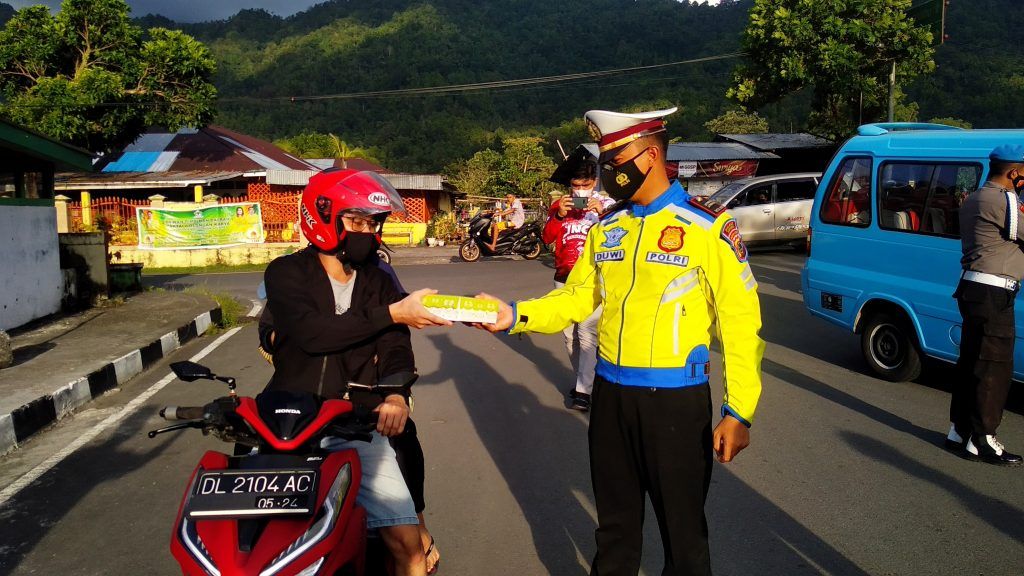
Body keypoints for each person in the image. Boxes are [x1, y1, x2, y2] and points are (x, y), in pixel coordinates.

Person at [474, 107, 765, 576]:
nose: (607, 170)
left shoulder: (708, 228)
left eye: (615, 158)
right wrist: (513, 315)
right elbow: (574, 298)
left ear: (651, 156)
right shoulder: (607, 227)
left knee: (684, 538)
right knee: (614, 533)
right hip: (610, 399)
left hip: (675, 402)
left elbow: (741, 324)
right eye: (605, 159)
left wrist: (739, 411)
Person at [263, 168, 451, 576]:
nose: (367, 231)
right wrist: (392, 313)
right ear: (323, 215)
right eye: (358, 221)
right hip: (289, 423)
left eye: (373, 223)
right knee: (267, 546)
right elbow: (313, 334)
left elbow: (396, 345)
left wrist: (397, 394)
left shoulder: (379, 280)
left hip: (358, 423)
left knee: (409, 548)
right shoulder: (286, 273)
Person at [946, 145, 1024, 467]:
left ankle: (959, 430)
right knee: (994, 367)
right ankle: (983, 441)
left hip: (973, 289)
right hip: (994, 293)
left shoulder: (975, 197)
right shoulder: (1005, 201)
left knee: (971, 362)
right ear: (1015, 174)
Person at [543, 159, 614, 411]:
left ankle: (584, 391)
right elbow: (547, 237)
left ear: (594, 182)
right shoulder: (559, 206)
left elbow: (620, 238)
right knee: (568, 337)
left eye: (585, 184)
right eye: (575, 185)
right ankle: (584, 380)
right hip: (563, 277)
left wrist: (603, 214)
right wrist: (559, 214)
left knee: (587, 336)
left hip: (593, 279)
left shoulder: (608, 206)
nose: (580, 191)